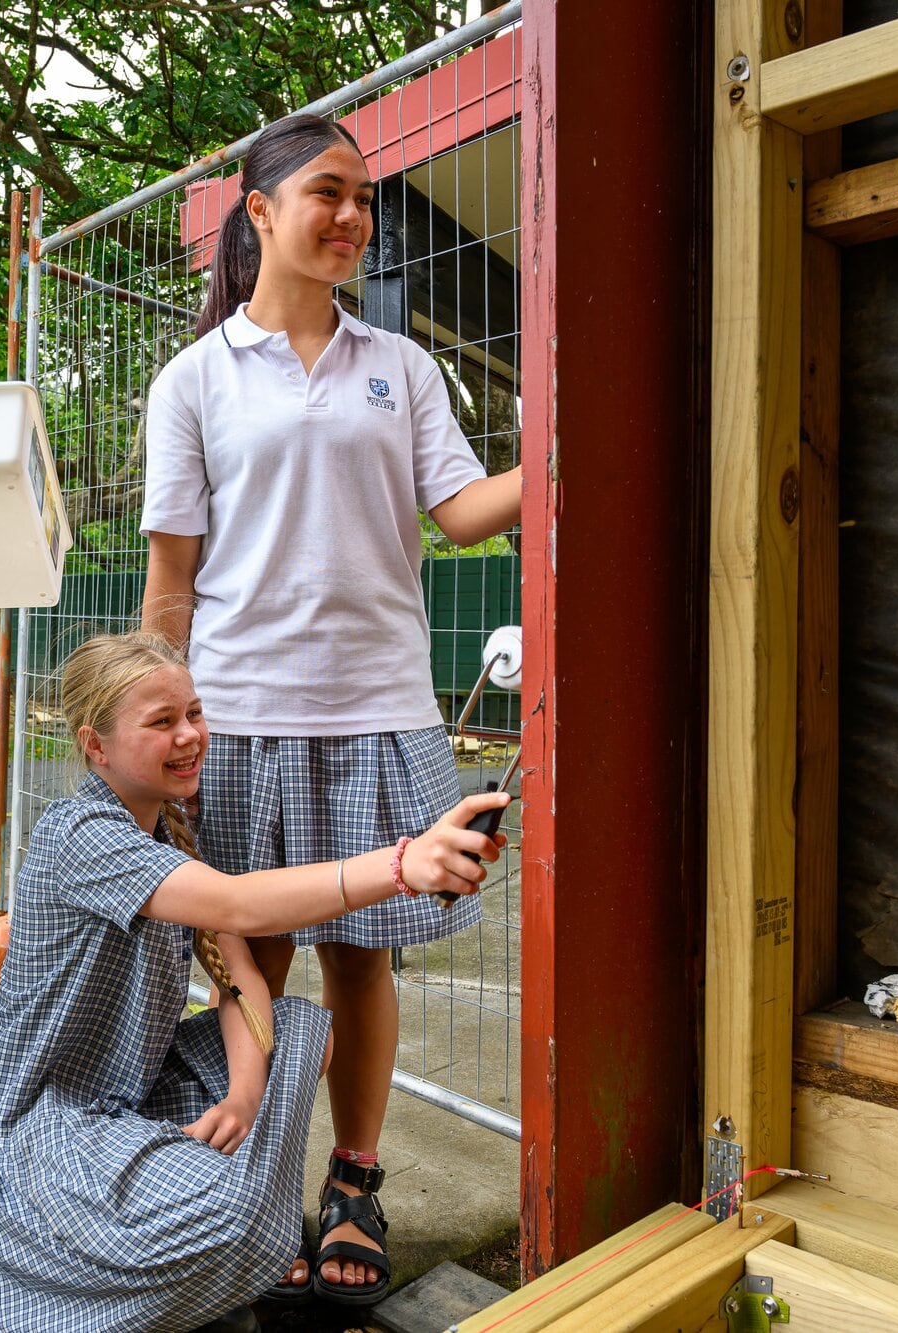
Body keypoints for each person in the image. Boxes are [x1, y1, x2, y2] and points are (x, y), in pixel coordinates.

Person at [138, 112, 525, 1305]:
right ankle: (252, 1185)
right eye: (329, 193)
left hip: (376, 712)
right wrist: (158, 744)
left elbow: (460, 514)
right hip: (243, 717)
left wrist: (565, 438)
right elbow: (170, 580)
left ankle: (353, 1182)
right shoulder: (192, 379)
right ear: (256, 213)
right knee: (251, 960)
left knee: (363, 963)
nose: (353, 216)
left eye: (364, 199)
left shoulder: (397, 367)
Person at [0, 632, 508, 1332]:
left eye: (195, 712)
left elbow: (240, 974)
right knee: (232, 1213)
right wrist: (402, 864)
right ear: (95, 745)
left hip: (131, 1093)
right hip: (37, 1121)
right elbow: (239, 905)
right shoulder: (81, 833)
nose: (189, 736)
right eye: (161, 722)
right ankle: (226, 1233)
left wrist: (244, 1096)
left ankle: (241, 1232)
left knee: (298, 1034)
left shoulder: (172, 827)